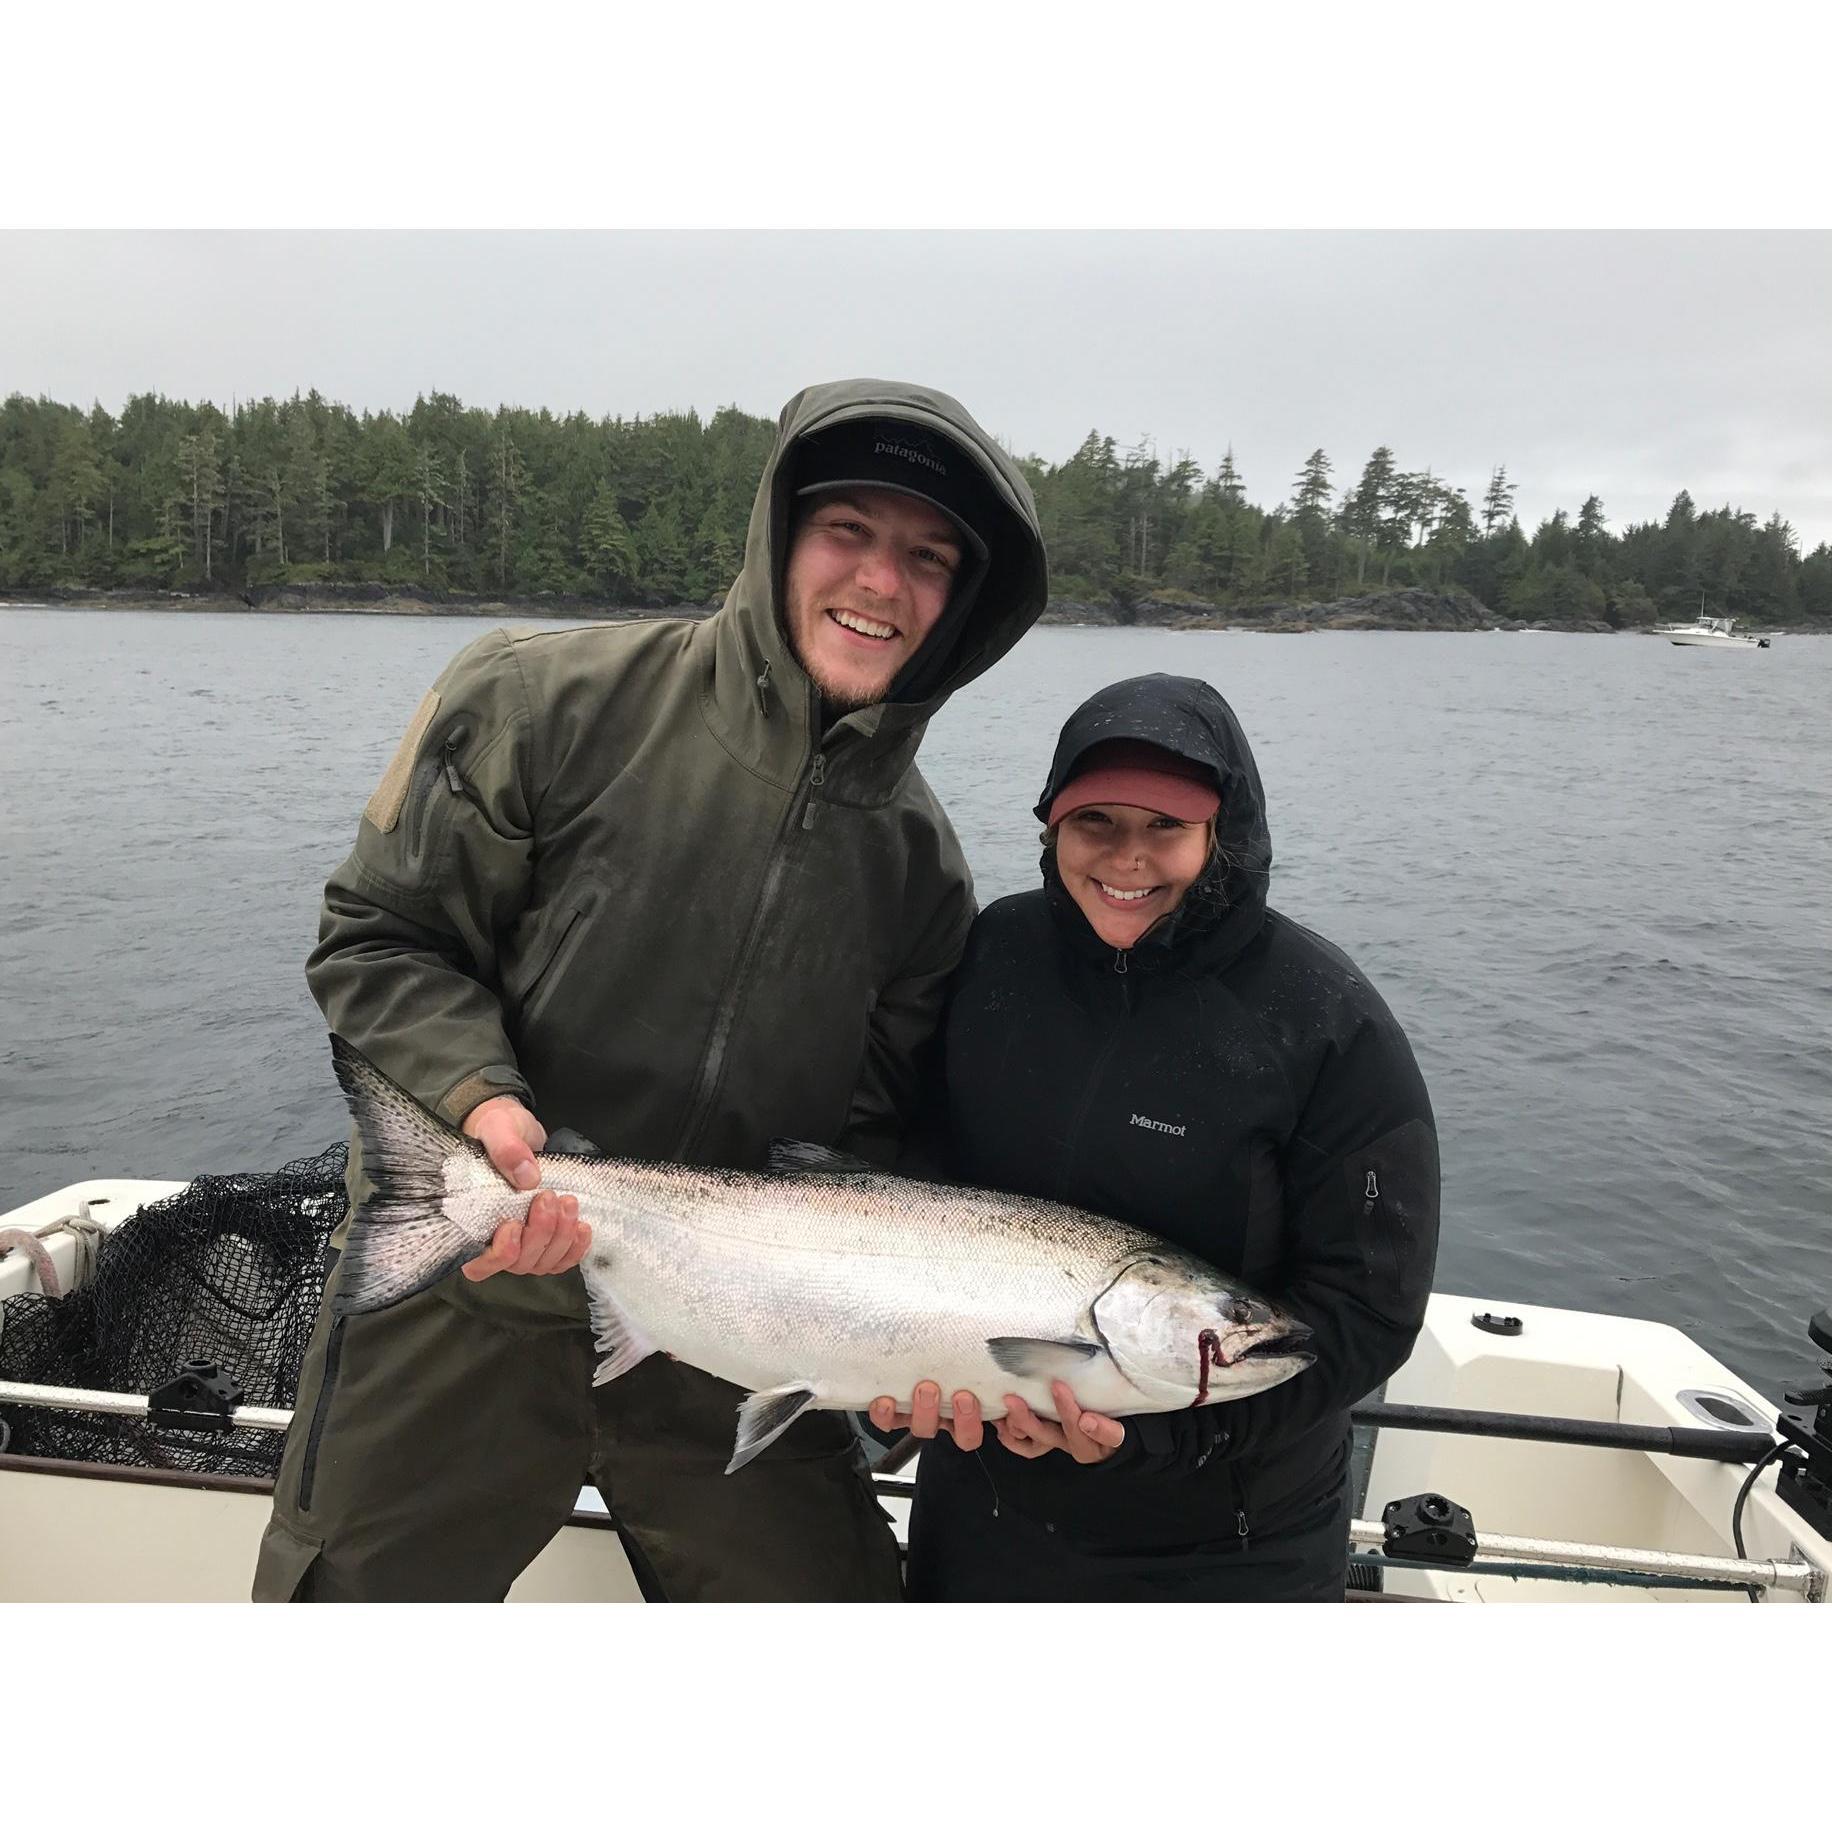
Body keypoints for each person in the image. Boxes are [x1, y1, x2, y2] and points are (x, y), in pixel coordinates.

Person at [252, 379, 1049, 1602]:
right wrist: (476, 1098)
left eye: (927, 557)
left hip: (730, 1334)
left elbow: (873, 1138)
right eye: (847, 531)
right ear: (777, 535)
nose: (880, 583)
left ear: (964, 605)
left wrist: (893, 1354)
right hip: (468, 1291)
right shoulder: (535, 699)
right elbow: (382, 935)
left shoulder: (923, 871)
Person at [872, 673, 1440, 1602]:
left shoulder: (1327, 1023)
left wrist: (1155, 1436)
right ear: (1051, 825)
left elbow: (1367, 1313)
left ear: (1223, 836)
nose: (1128, 859)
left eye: (1165, 827)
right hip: (985, 1504)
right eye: (1097, 823)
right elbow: (920, 1178)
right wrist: (894, 1359)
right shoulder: (994, 956)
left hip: (1227, 1538)